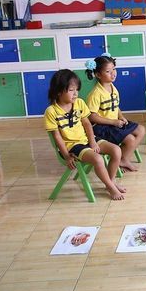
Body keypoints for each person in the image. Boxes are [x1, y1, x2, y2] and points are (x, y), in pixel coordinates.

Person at [44, 69, 125, 200]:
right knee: (98, 159)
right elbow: (57, 136)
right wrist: (66, 156)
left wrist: (92, 141)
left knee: (116, 150)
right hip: (72, 146)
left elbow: (87, 124)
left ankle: (111, 182)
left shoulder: (79, 103)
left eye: (77, 90)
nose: (75, 93)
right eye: (71, 90)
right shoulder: (51, 111)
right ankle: (111, 187)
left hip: (87, 140)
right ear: (58, 92)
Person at [85, 54, 146, 172]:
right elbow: (92, 117)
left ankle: (123, 159)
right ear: (98, 75)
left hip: (115, 123)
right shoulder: (95, 94)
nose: (113, 73)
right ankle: (121, 160)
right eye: (108, 71)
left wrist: (121, 117)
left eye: (114, 69)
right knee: (130, 139)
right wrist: (113, 122)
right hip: (102, 127)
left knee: (141, 130)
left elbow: (115, 106)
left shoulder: (113, 87)